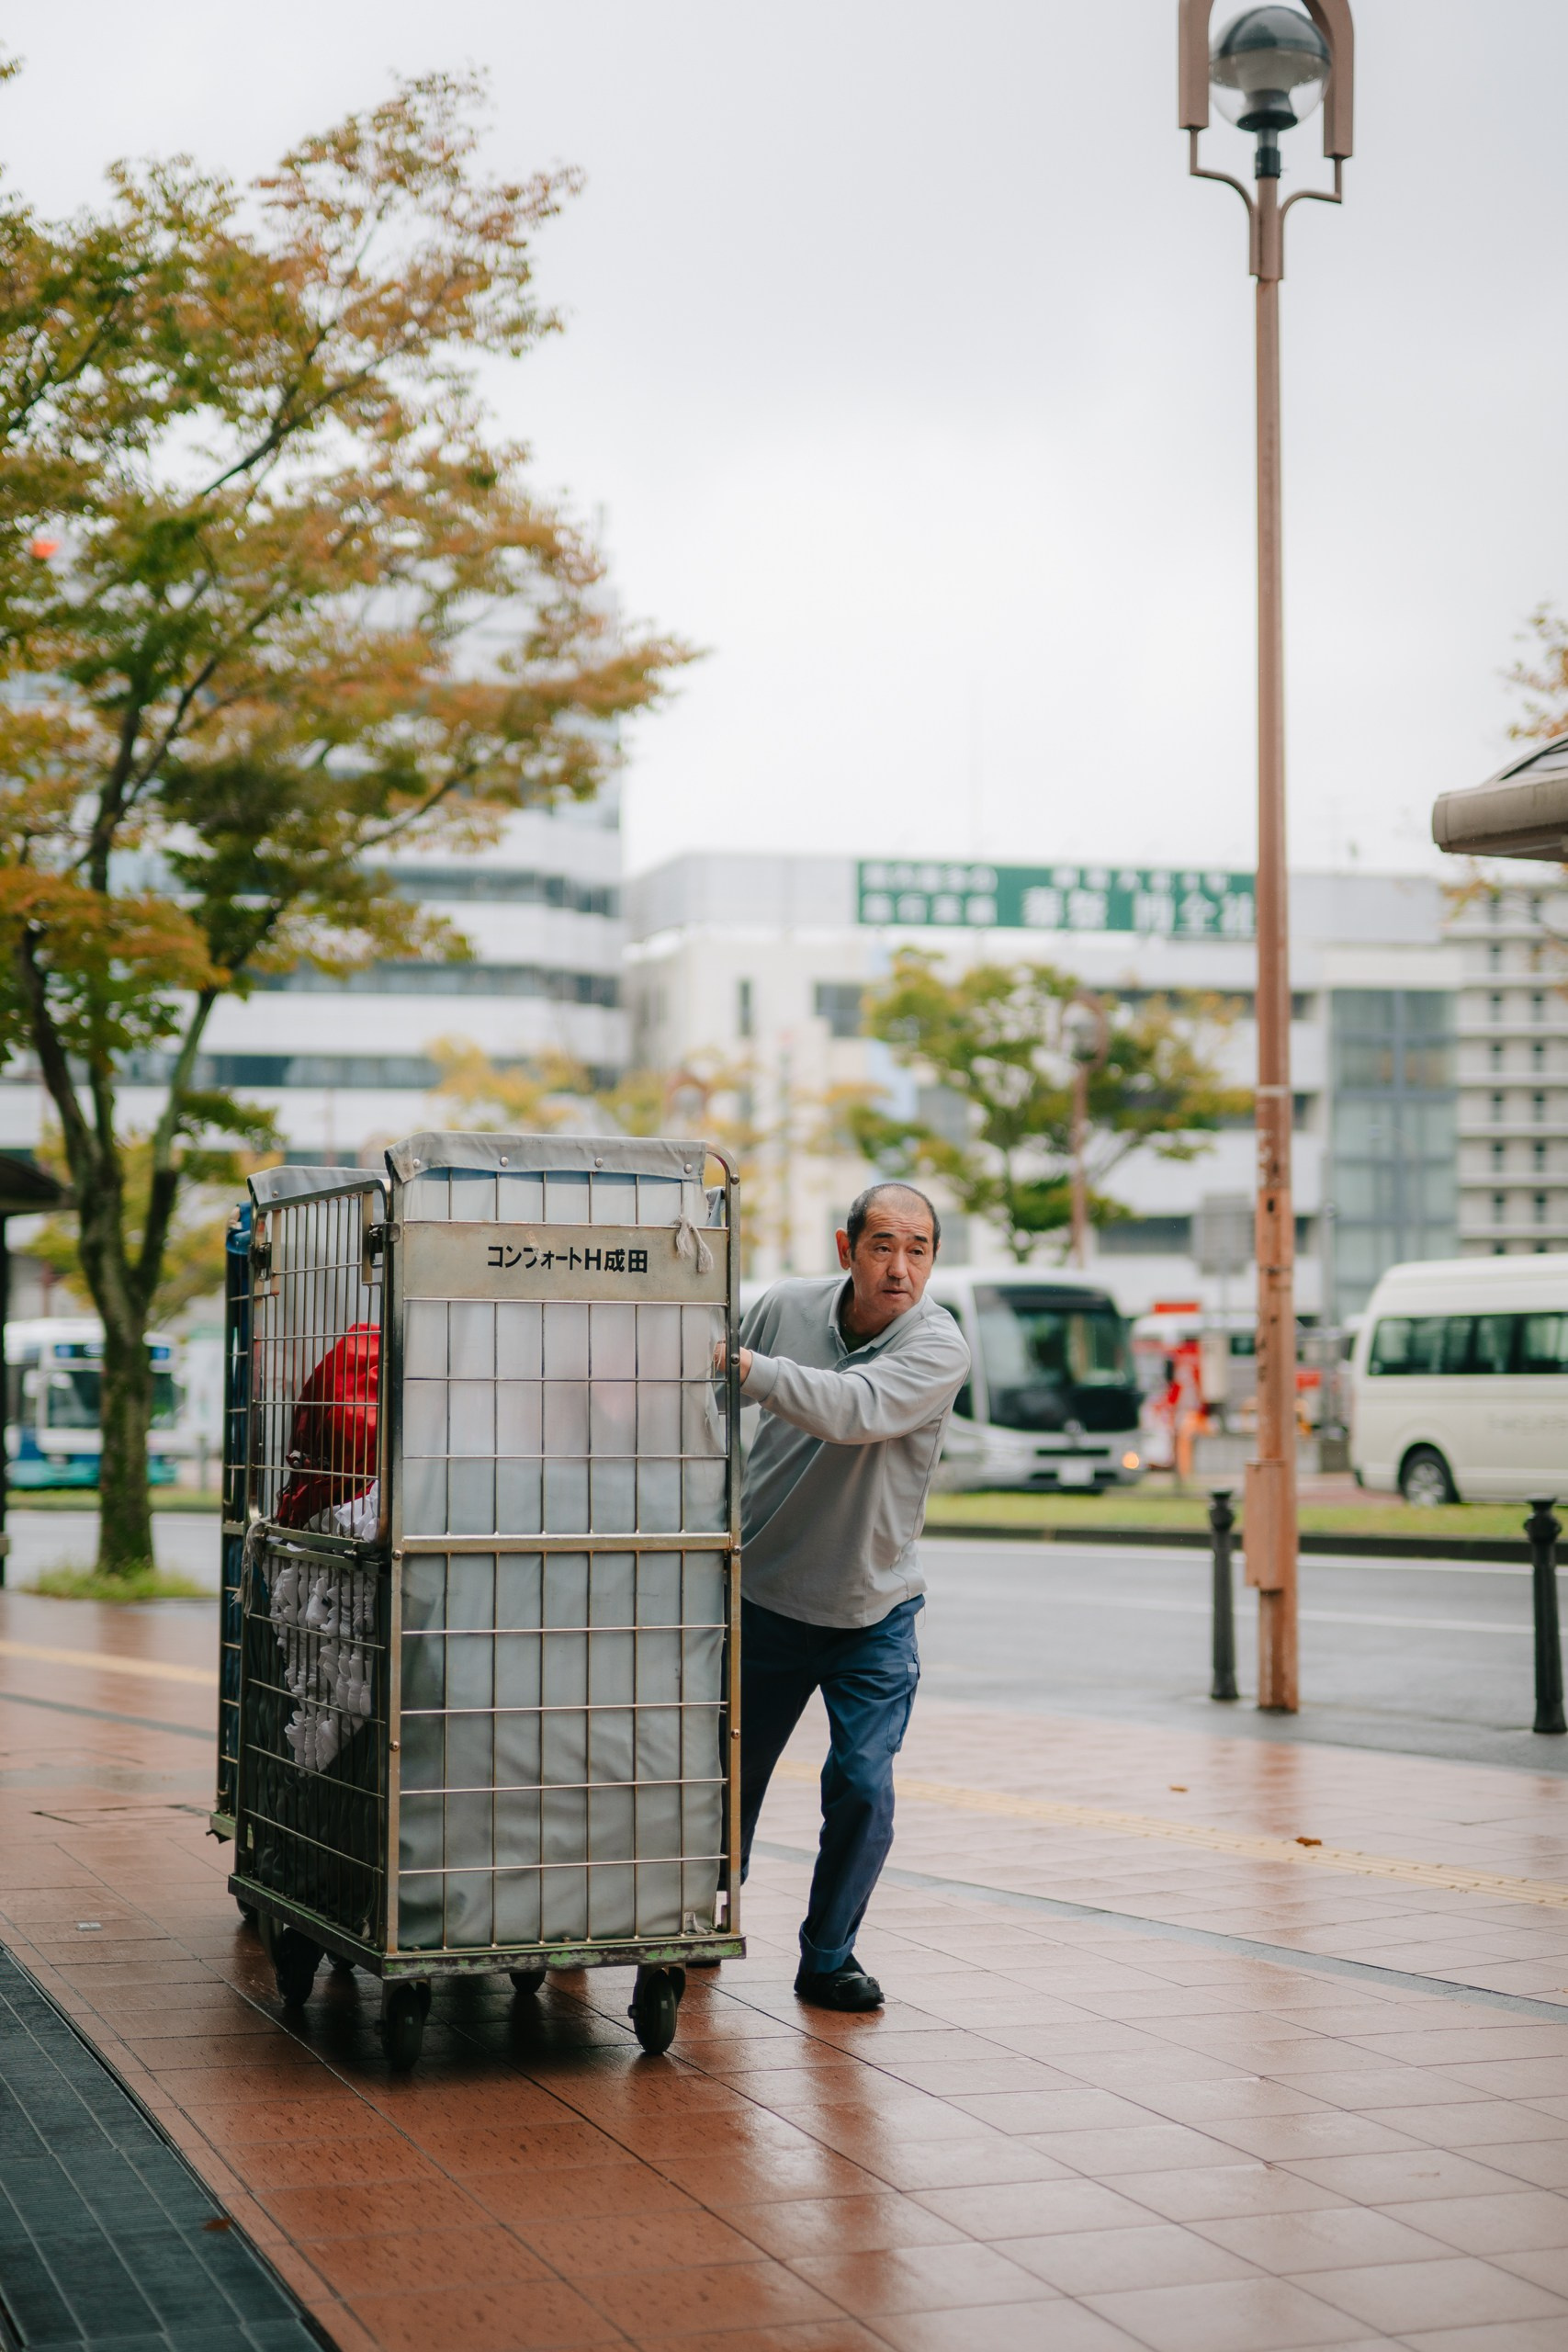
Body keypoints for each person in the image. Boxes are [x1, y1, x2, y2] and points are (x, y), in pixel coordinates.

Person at [721, 1181, 970, 2012]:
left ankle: (827, 1957)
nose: (900, 1268)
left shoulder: (937, 1347)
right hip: (762, 1597)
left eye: (919, 1249)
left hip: (874, 1611)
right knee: (724, 1781)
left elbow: (854, 1411)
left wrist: (749, 1370)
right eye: (881, 1246)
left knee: (863, 1783)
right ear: (845, 1249)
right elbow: (706, 1404)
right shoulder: (783, 1308)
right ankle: (696, 1919)